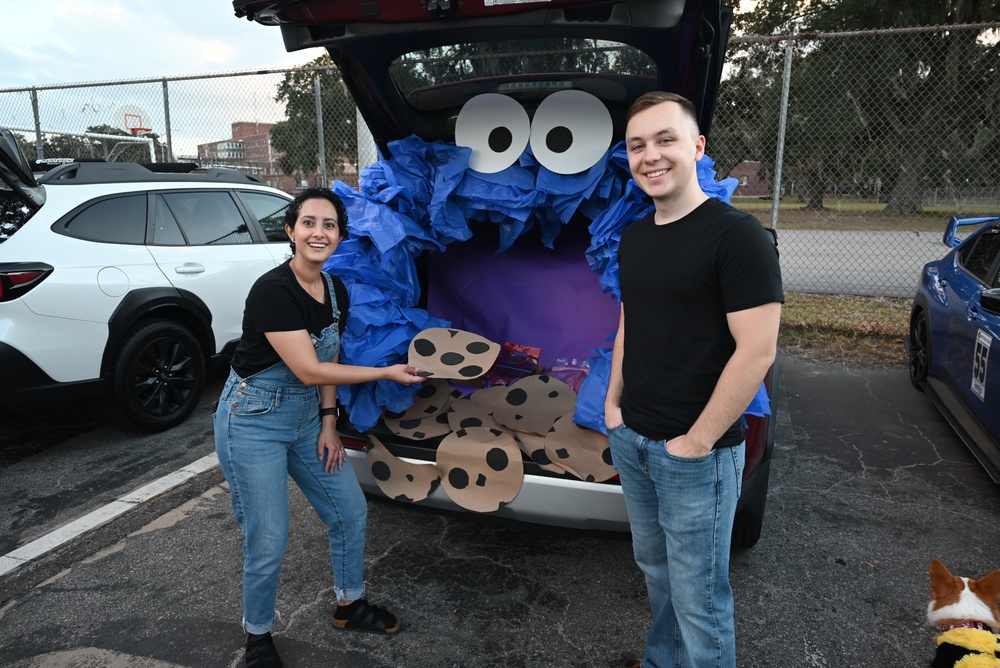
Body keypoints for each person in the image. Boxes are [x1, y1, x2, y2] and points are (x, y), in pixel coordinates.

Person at [604, 92, 784, 668]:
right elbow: (630, 322)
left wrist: (698, 441)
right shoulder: (636, 237)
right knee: (656, 576)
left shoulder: (738, 237)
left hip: (696, 457)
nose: (650, 156)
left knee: (700, 602)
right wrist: (613, 405)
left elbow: (757, 352)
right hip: (634, 439)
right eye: (637, 146)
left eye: (665, 140)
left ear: (697, 147)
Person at [214, 187, 424, 668]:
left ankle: (349, 605)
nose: (319, 232)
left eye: (329, 225)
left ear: (339, 236)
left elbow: (328, 355)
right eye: (309, 222)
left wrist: (329, 422)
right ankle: (258, 639)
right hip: (252, 422)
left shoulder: (336, 289)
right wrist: (387, 372)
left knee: (349, 511)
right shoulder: (273, 290)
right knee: (268, 536)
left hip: (307, 417)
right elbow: (310, 369)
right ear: (290, 231)